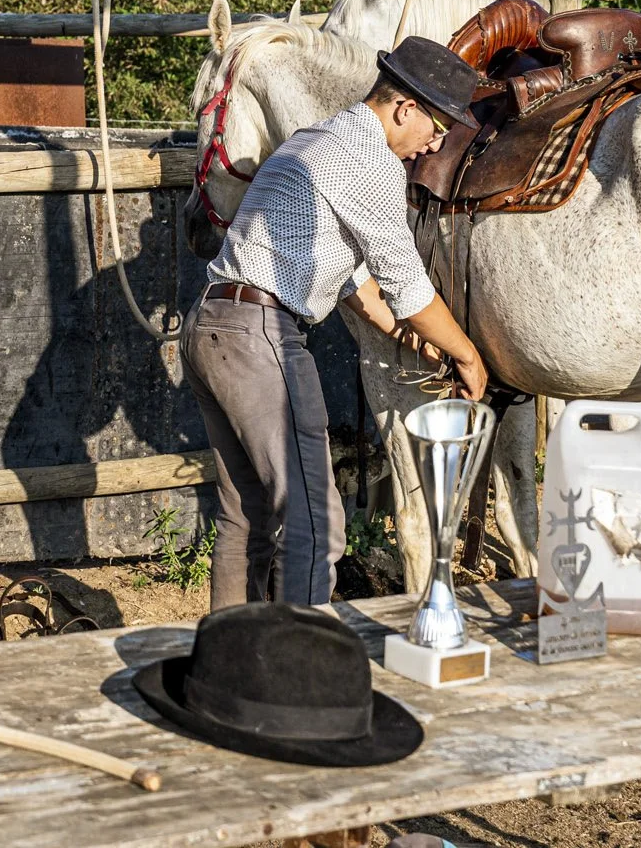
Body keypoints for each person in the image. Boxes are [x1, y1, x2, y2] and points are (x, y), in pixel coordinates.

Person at [189, 36, 487, 613]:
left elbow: (353, 284)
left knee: (245, 513)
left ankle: (231, 650)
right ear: (404, 108)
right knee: (314, 520)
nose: (433, 145)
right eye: (437, 129)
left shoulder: (314, 140)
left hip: (213, 324)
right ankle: (302, 654)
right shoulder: (369, 160)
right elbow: (406, 283)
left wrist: (418, 341)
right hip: (261, 334)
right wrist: (467, 354)